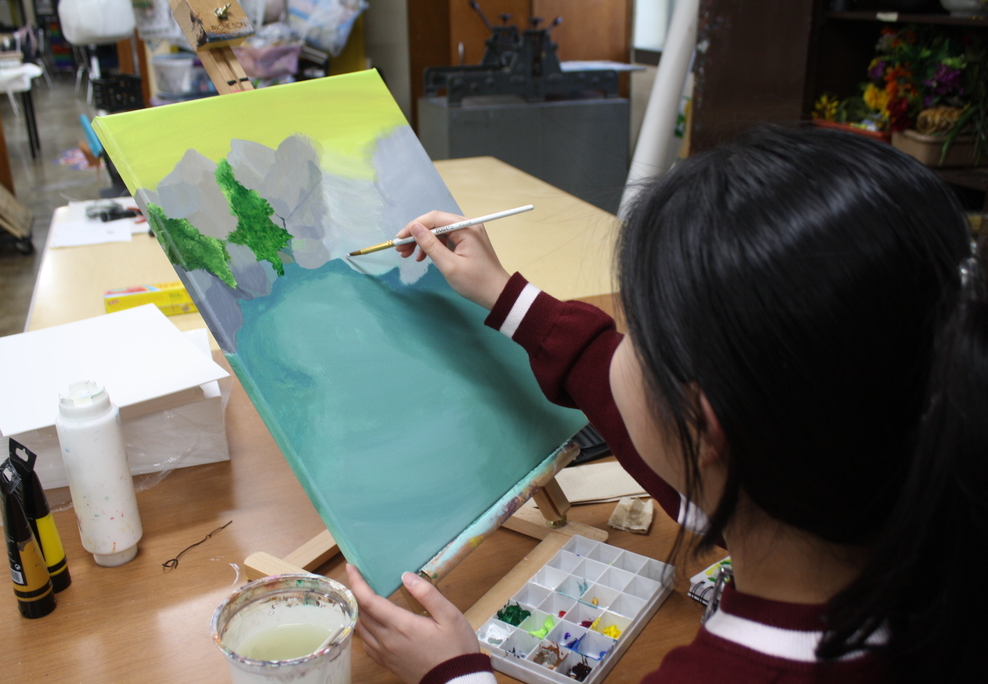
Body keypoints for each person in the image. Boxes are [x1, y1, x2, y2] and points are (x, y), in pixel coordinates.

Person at [344, 125, 987, 684]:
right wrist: (510, 300)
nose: (620, 339)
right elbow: (655, 425)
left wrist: (454, 676)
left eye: (637, 331)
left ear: (703, 427)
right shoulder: (885, 494)